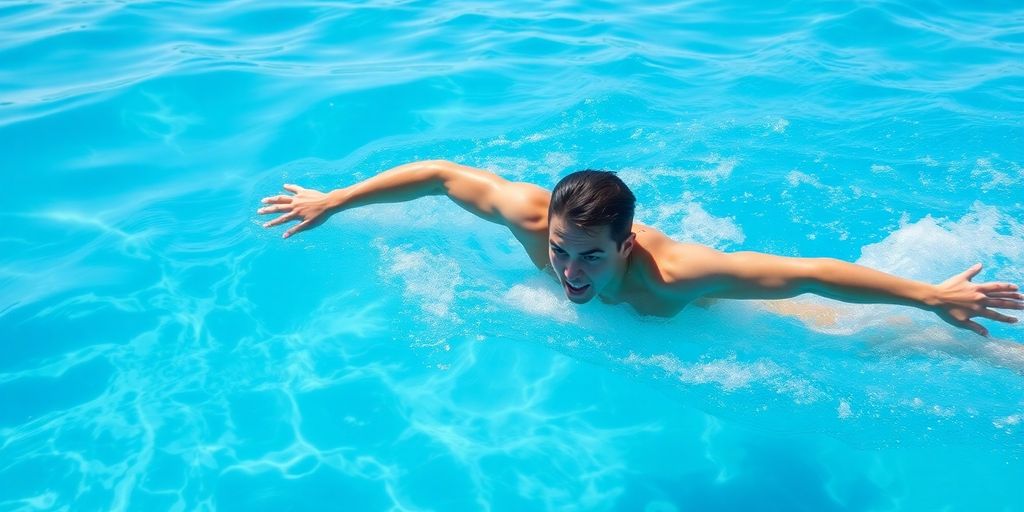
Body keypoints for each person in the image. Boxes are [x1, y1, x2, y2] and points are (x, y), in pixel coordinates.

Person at [257, 159, 1022, 336]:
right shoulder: (532, 220)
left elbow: (809, 276)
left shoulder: (678, 271)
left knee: (874, 336)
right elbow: (439, 175)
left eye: (591, 256)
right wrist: (334, 200)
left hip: (735, 319)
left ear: (625, 245)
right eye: (562, 250)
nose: (568, 269)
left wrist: (926, 295)